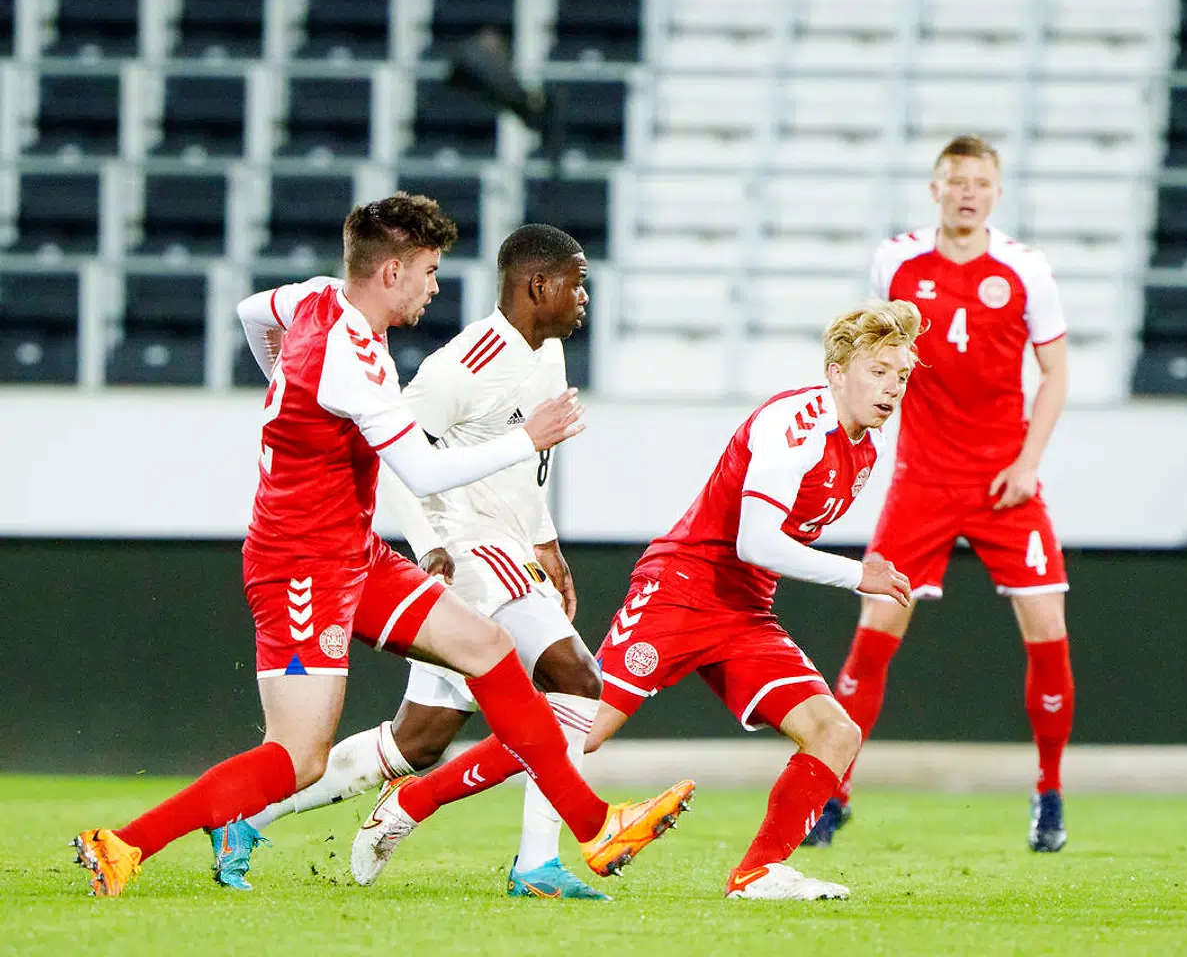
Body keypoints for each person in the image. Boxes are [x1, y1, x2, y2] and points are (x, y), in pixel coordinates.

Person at [71, 195, 693, 898]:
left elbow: (252, 314)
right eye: (428, 271)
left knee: (487, 649)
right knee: (295, 759)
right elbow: (421, 471)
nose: (435, 286)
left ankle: (593, 826)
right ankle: (124, 845)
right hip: (300, 568)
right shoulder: (354, 362)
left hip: (351, 552)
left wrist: (284, 386)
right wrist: (526, 438)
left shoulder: (313, 300)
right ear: (392, 270)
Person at [349, 300, 920, 900]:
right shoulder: (795, 426)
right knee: (582, 729)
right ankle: (411, 802)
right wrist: (858, 574)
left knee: (836, 733)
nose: (892, 387)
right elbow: (756, 541)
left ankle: (758, 872)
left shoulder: (865, 448)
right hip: (681, 591)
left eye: (901, 376)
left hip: (746, 610)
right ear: (837, 369)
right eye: (879, 370)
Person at [209, 224, 611, 900]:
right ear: (539, 285)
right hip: (472, 552)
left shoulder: (545, 357)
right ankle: (534, 862)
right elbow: (396, 456)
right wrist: (429, 543)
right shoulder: (464, 363)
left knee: (417, 741)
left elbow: (527, 467)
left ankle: (250, 814)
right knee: (574, 683)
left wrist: (547, 542)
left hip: (512, 550)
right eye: (578, 282)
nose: (586, 297)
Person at [806, 134, 1074, 853]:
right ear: (935, 189)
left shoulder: (1025, 271)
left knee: (1047, 631)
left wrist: (1028, 463)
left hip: (1003, 484)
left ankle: (1049, 793)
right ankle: (833, 792)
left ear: (996, 191)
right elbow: (870, 356)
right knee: (871, 643)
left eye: (980, 182)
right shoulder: (896, 260)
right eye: (955, 179)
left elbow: (1056, 374)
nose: (967, 192)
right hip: (921, 481)